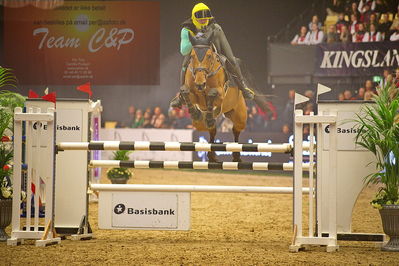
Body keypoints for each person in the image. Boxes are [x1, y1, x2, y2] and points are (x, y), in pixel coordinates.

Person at [170, 3, 254, 108]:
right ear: (194, 17)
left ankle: (243, 87)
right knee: (184, 64)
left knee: (231, 60)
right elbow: (183, 50)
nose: (203, 20)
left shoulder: (215, 27)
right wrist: (195, 38)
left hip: (213, 49)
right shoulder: (187, 30)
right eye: (200, 18)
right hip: (196, 52)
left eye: (206, 18)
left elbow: (219, 45)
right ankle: (182, 95)